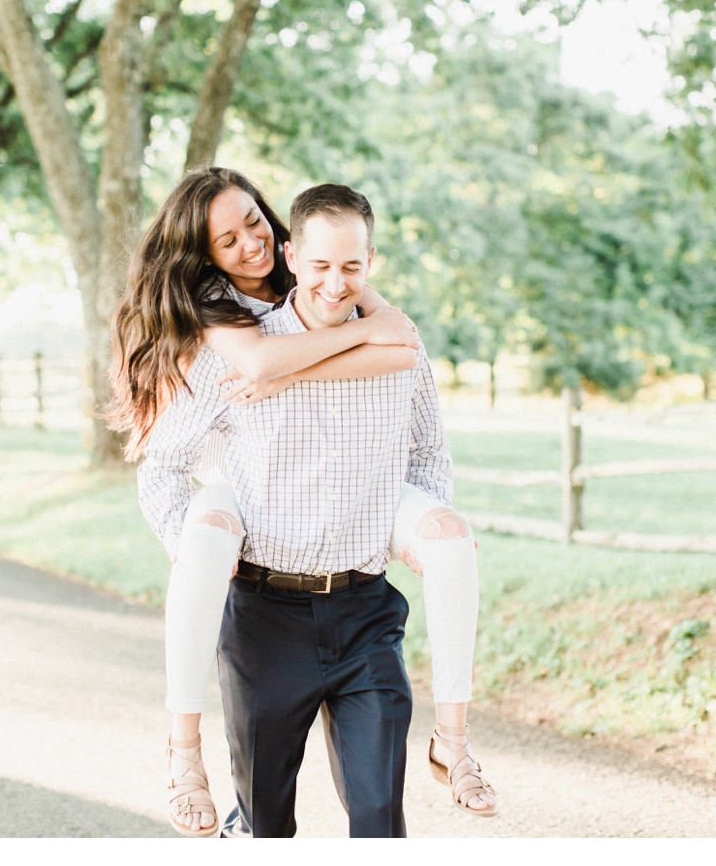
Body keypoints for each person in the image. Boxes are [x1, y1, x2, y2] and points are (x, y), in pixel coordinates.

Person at [133, 181, 496, 837]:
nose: (336, 284)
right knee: (266, 825)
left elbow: (429, 455)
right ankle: (185, 757)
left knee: (381, 823)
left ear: (370, 262)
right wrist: (192, 553)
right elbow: (161, 463)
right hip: (264, 622)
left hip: (364, 618)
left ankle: (455, 741)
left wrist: (412, 524)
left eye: (351, 267)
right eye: (321, 265)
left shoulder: (399, 349)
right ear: (293, 255)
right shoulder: (234, 351)